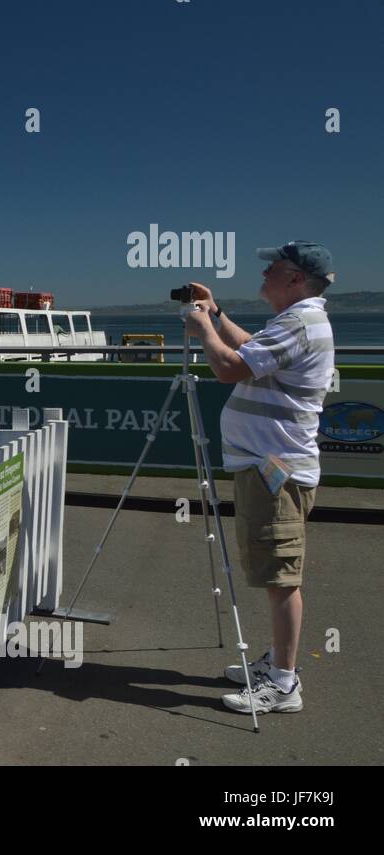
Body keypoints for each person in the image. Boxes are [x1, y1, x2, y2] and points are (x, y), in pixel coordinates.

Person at [183, 241, 335, 716]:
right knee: (275, 571)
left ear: (295, 278)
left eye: (273, 267)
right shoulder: (298, 321)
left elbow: (229, 367)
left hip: (275, 470)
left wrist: (204, 328)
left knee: (281, 577)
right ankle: (278, 664)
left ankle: (284, 683)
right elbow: (253, 350)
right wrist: (219, 314)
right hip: (272, 467)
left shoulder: (299, 322)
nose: (265, 272)